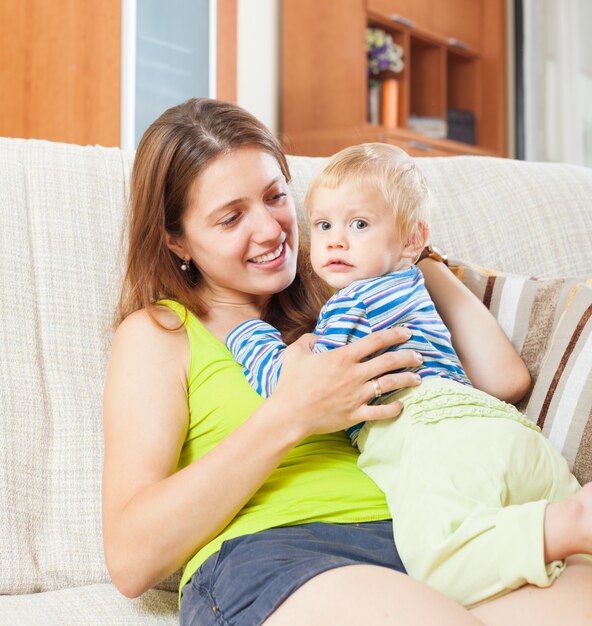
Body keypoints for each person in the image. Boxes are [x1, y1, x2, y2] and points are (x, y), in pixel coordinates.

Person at [102, 97, 592, 626]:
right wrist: (291, 414)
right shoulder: (162, 333)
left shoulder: (344, 301)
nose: (270, 230)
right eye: (231, 217)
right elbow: (131, 560)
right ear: (176, 240)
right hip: (280, 555)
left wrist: (416, 264)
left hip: (432, 538)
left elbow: (504, 381)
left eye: (275, 197)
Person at [224, 142, 592, 607]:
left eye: (359, 224)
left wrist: (246, 336)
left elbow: (291, 386)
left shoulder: (353, 302)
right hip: (508, 431)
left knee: (441, 565)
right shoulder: (411, 286)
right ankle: (570, 518)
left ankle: (568, 522)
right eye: (323, 225)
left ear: (414, 240)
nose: (336, 240)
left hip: (428, 432)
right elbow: (500, 385)